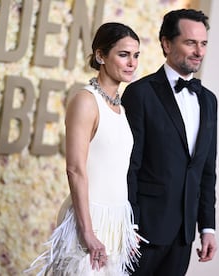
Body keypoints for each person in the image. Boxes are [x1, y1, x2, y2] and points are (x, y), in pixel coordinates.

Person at [26, 22, 143, 275]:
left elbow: (117, 170)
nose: (132, 63)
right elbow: (75, 169)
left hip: (115, 222)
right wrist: (87, 232)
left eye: (135, 55)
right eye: (123, 54)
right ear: (100, 56)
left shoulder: (120, 108)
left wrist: (125, 230)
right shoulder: (85, 100)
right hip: (87, 220)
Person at [121, 9, 218, 275]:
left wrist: (207, 227)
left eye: (203, 43)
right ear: (166, 43)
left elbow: (206, 170)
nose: (199, 51)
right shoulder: (139, 93)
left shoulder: (209, 100)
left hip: (184, 236)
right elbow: (130, 167)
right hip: (143, 233)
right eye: (190, 43)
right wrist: (129, 225)